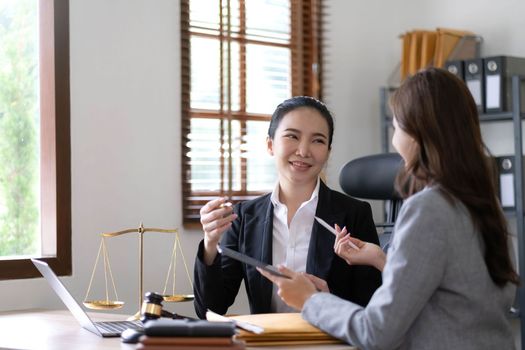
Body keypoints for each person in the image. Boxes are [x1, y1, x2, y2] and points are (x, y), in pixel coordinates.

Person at [258, 68, 519, 350]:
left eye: (396, 127)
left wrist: (310, 299)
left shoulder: (429, 208)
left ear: (417, 133)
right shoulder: (480, 202)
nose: (395, 140)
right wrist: (382, 259)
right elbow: (452, 294)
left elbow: (376, 332)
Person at [193, 96, 382, 319]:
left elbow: (372, 309)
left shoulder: (354, 214)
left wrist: (327, 298)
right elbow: (210, 308)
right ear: (270, 145)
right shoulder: (245, 217)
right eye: (292, 136)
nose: (303, 151)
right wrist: (210, 243)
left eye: (318, 141)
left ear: (328, 152)